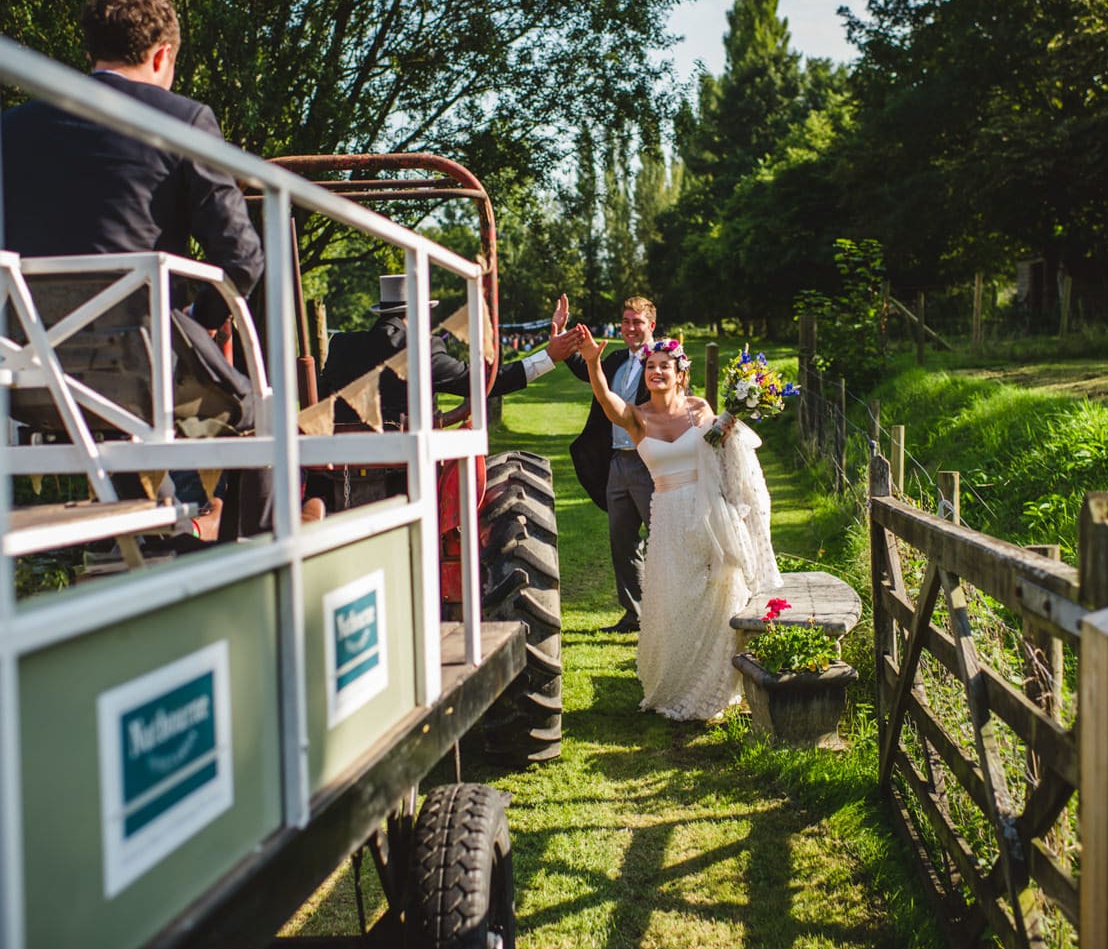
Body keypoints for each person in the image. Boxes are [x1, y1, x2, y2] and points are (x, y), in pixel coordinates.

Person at [0, 0, 267, 539]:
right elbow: (242, 259)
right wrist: (197, 321)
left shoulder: (12, 128)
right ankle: (242, 553)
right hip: (137, 366)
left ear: (93, 49)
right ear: (161, 54)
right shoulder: (182, 120)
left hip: (25, 369)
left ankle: (166, 528)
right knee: (256, 414)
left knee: (143, 407)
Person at [575, 325, 781, 721]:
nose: (656, 372)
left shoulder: (699, 409)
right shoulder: (636, 418)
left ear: (679, 373)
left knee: (713, 595)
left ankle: (715, 682)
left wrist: (732, 421)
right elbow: (603, 397)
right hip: (667, 516)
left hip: (706, 514)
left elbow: (719, 452)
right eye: (651, 366)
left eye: (664, 366)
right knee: (674, 601)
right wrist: (592, 362)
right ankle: (678, 682)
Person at [313, 276, 579, 505]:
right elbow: (482, 381)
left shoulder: (341, 346)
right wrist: (548, 357)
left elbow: (321, 400)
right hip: (409, 481)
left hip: (340, 480)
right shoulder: (420, 349)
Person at [563, 296, 657, 632]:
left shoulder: (665, 361)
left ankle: (673, 616)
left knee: (664, 538)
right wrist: (559, 331)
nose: (630, 328)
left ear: (651, 325)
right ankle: (635, 615)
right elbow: (583, 367)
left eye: (637, 322)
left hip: (651, 463)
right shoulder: (616, 358)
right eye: (626, 321)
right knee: (622, 542)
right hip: (618, 463)